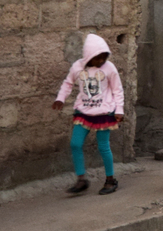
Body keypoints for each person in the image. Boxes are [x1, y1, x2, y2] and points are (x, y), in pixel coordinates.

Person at [52, 33, 125, 195]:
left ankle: (110, 179)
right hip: (83, 112)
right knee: (75, 144)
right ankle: (81, 179)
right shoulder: (77, 67)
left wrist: (119, 110)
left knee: (103, 146)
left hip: (104, 112)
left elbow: (117, 90)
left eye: (104, 58)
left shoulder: (109, 68)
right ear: (88, 56)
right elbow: (68, 83)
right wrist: (60, 98)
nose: (101, 62)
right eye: (98, 58)